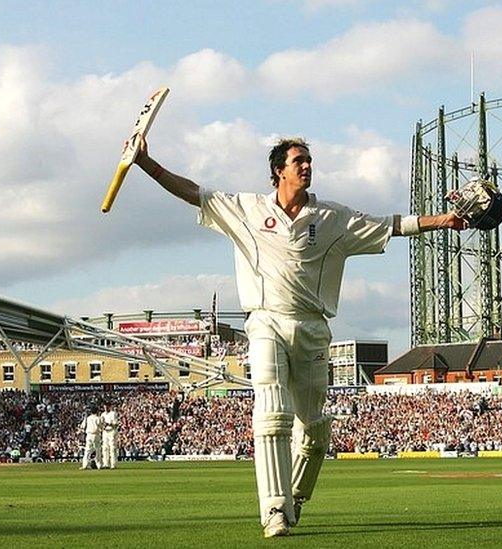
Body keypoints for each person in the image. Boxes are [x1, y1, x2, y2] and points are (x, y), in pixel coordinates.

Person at [134, 136, 467, 537]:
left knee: (313, 429)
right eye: (298, 161)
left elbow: (390, 225)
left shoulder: (332, 217)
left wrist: (442, 221)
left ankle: (294, 496)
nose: (307, 166)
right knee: (272, 407)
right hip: (265, 321)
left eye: (309, 160)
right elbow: (193, 193)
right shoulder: (247, 209)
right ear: (279, 171)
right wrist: (146, 163)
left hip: (312, 327)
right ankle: (274, 509)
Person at [101, 403, 119, 469]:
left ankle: (113, 465)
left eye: (107, 407)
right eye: (104, 407)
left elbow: (116, 424)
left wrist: (108, 424)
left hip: (112, 431)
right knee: (105, 448)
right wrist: (103, 426)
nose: (105, 408)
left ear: (109, 407)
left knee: (112, 448)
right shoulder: (102, 414)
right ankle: (105, 464)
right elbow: (101, 424)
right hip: (105, 432)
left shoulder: (113, 413)